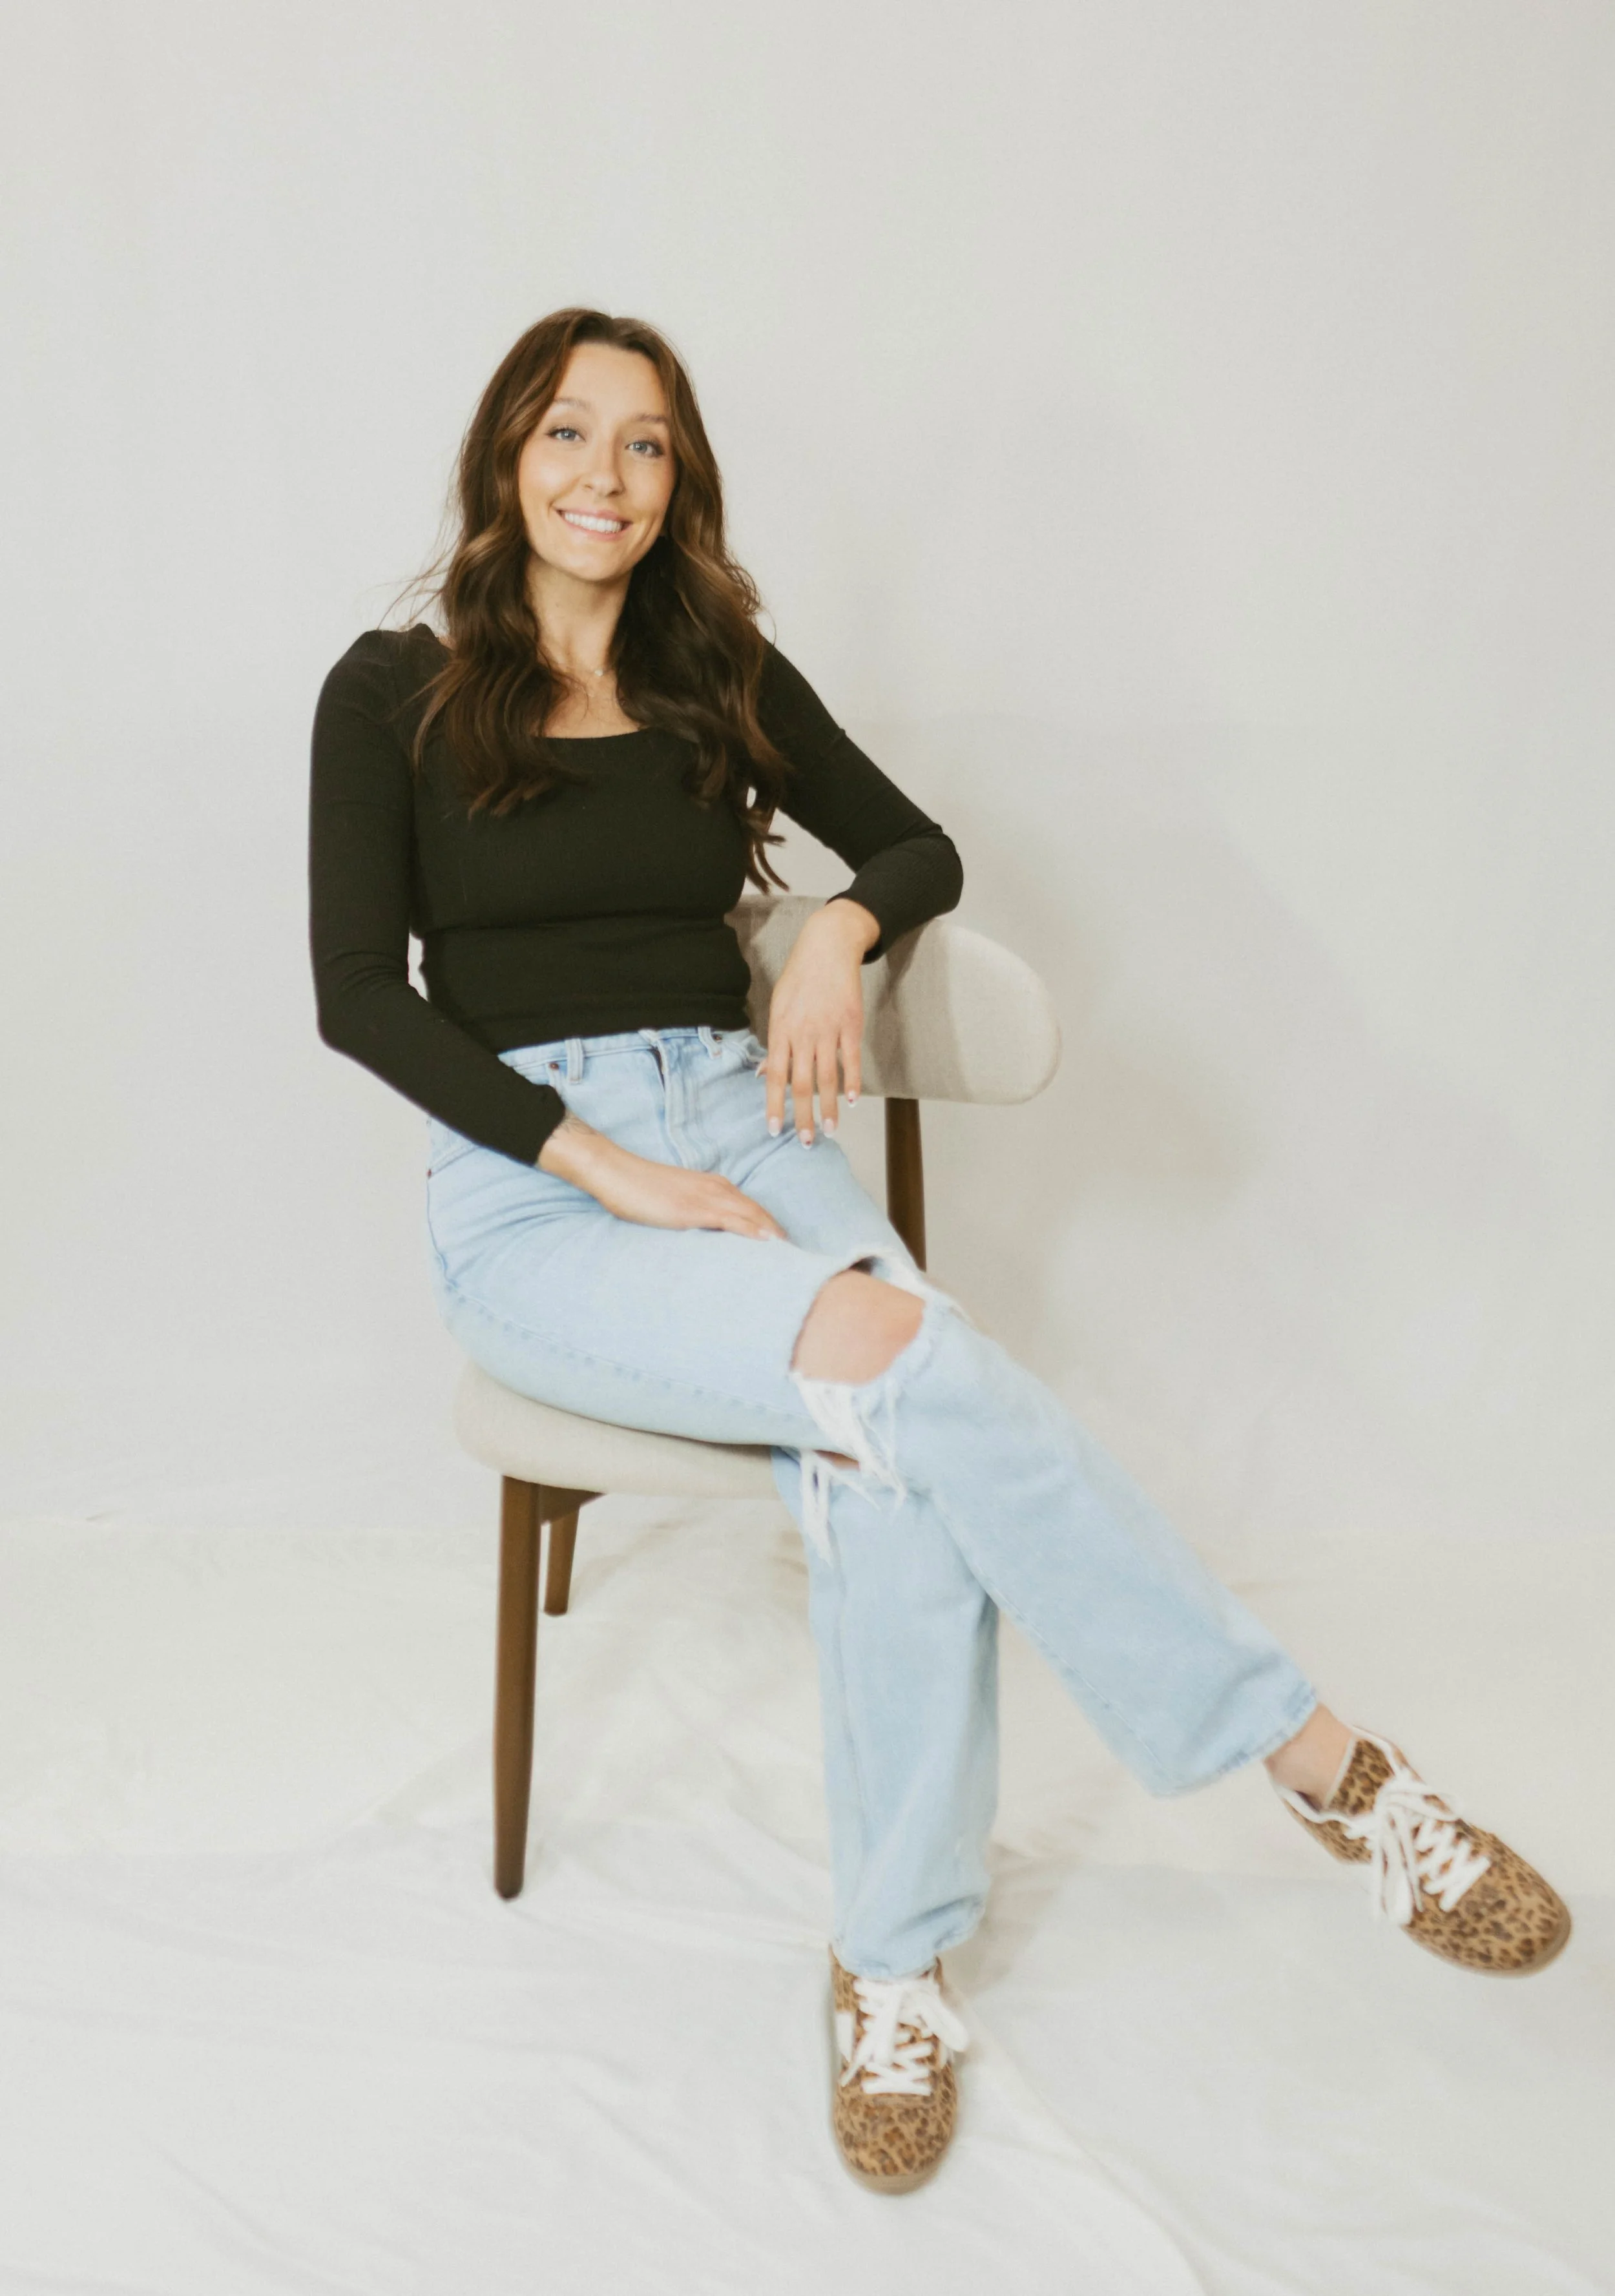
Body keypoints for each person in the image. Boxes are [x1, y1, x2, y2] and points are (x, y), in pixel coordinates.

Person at [308, 307, 1570, 2197]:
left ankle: (889, 1963)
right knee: (904, 1363)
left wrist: (830, 934)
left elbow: (915, 848)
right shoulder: (390, 689)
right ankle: (1319, 1765)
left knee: (879, 1442)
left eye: (646, 447)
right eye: (567, 435)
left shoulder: (713, 668)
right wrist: (603, 1166)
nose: (602, 477)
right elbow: (356, 1000)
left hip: (747, 1114)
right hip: (533, 1183)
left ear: (679, 484)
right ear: (503, 457)